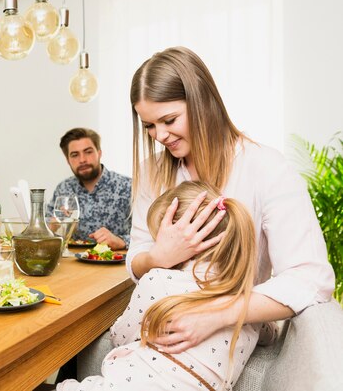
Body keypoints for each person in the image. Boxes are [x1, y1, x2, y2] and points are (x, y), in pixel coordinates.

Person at [126, 46, 334, 355]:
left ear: (202, 102)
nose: (160, 135)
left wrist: (216, 314)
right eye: (149, 126)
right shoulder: (151, 172)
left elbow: (311, 279)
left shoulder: (266, 168)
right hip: (161, 325)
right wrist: (160, 257)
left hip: (222, 338)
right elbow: (136, 258)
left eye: (169, 120)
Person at [58, 181, 263, 391]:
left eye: (158, 239)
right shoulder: (249, 304)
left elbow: (120, 336)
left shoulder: (159, 282)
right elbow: (268, 333)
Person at [47, 128, 132, 250]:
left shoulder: (127, 186)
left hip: (116, 263)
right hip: (75, 263)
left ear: (99, 153)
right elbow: (43, 229)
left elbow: (150, 234)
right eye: (75, 155)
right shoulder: (63, 188)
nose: (82, 160)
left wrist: (122, 241)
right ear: (68, 160)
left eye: (88, 152)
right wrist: (53, 225)